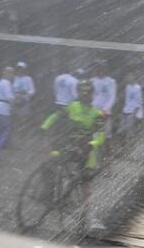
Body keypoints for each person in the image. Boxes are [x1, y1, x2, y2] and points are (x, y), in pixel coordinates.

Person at [40, 79, 107, 233]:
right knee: (49, 161)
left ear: (92, 94)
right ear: (78, 92)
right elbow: (55, 116)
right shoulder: (72, 106)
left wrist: (93, 144)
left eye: (87, 91)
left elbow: (102, 135)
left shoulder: (96, 113)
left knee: (85, 185)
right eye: (81, 91)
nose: (84, 93)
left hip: (86, 150)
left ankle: (85, 215)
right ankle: (48, 193)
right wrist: (44, 126)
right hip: (68, 146)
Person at [12, 62, 35, 135]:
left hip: (24, 101)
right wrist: (15, 95)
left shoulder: (28, 79)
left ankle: (24, 133)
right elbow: (10, 89)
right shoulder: (14, 78)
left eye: (21, 69)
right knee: (15, 118)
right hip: (15, 101)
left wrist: (26, 93)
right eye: (19, 68)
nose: (20, 70)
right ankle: (16, 133)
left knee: (24, 118)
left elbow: (32, 91)